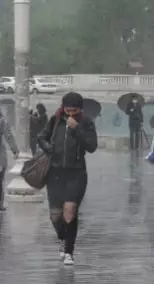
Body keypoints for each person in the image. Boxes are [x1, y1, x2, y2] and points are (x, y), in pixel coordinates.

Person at [37, 92, 97, 265]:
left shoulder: (86, 123)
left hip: (76, 173)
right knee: (55, 215)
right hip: (55, 173)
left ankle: (69, 251)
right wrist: (50, 148)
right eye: (67, 110)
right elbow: (41, 137)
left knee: (70, 210)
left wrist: (77, 128)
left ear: (80, 109)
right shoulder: (55, 120)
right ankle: (63, 238)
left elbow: (92, 146)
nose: (70, 114)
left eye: (74, 111)